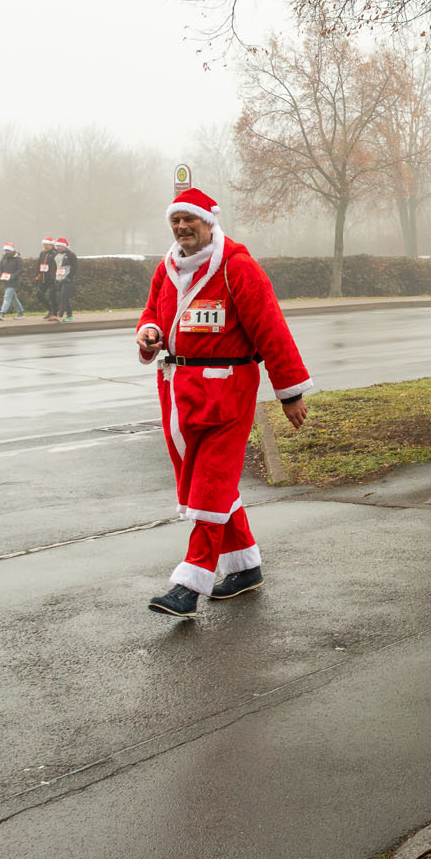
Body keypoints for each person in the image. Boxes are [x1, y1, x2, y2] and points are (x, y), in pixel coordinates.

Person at [134, 188, 313, 618]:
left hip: (228, 395)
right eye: (175, 221)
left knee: (210, 486)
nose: (181, 227)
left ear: (209, 221)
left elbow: (271, 328)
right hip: (178, 395)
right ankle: (245, 568)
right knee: (206, 483)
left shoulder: (237, 267)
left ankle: (189, 583)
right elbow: (152, 313)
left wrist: (290, 393)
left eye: (189, 220)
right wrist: (149, 334)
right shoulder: (167, 267)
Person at [0, 243, 26, 319]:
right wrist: (1, 275)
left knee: (7, 297)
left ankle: (2, 313)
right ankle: (21, 313)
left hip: (14, 282)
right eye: (5, 250)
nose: (6, 251)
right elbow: (1, 268)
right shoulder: (4, 258)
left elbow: (20, 270)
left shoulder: (18, 259)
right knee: (13, 298)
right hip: (6, 281)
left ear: (12, 250)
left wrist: (12, 276)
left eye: (8, 250)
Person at [51, 237, 79, 322]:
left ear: (65, 246)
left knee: (63, 298)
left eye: (60, 246)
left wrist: (68, 277)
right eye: (57, 246)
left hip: (67, 281)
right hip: (59, 279)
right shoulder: (56, 255)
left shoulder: (71, 255)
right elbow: (55, 267)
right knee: (63, 298)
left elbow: (74, 267)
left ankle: (60, 316)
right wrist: (55, 278)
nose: (58, 248)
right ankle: (70, 316)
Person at [34, 237, 58, 317]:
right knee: (39, 295)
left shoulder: (55, 253)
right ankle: (50, 309)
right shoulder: (42, 253)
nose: (45, 246)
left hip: (52, 279)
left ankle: (55, 312)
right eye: (44, 245)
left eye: (47, 245)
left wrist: (55, 276)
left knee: (52, 296)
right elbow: (39, 264)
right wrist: (37, 275)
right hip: (43, 278)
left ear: (51, 245)